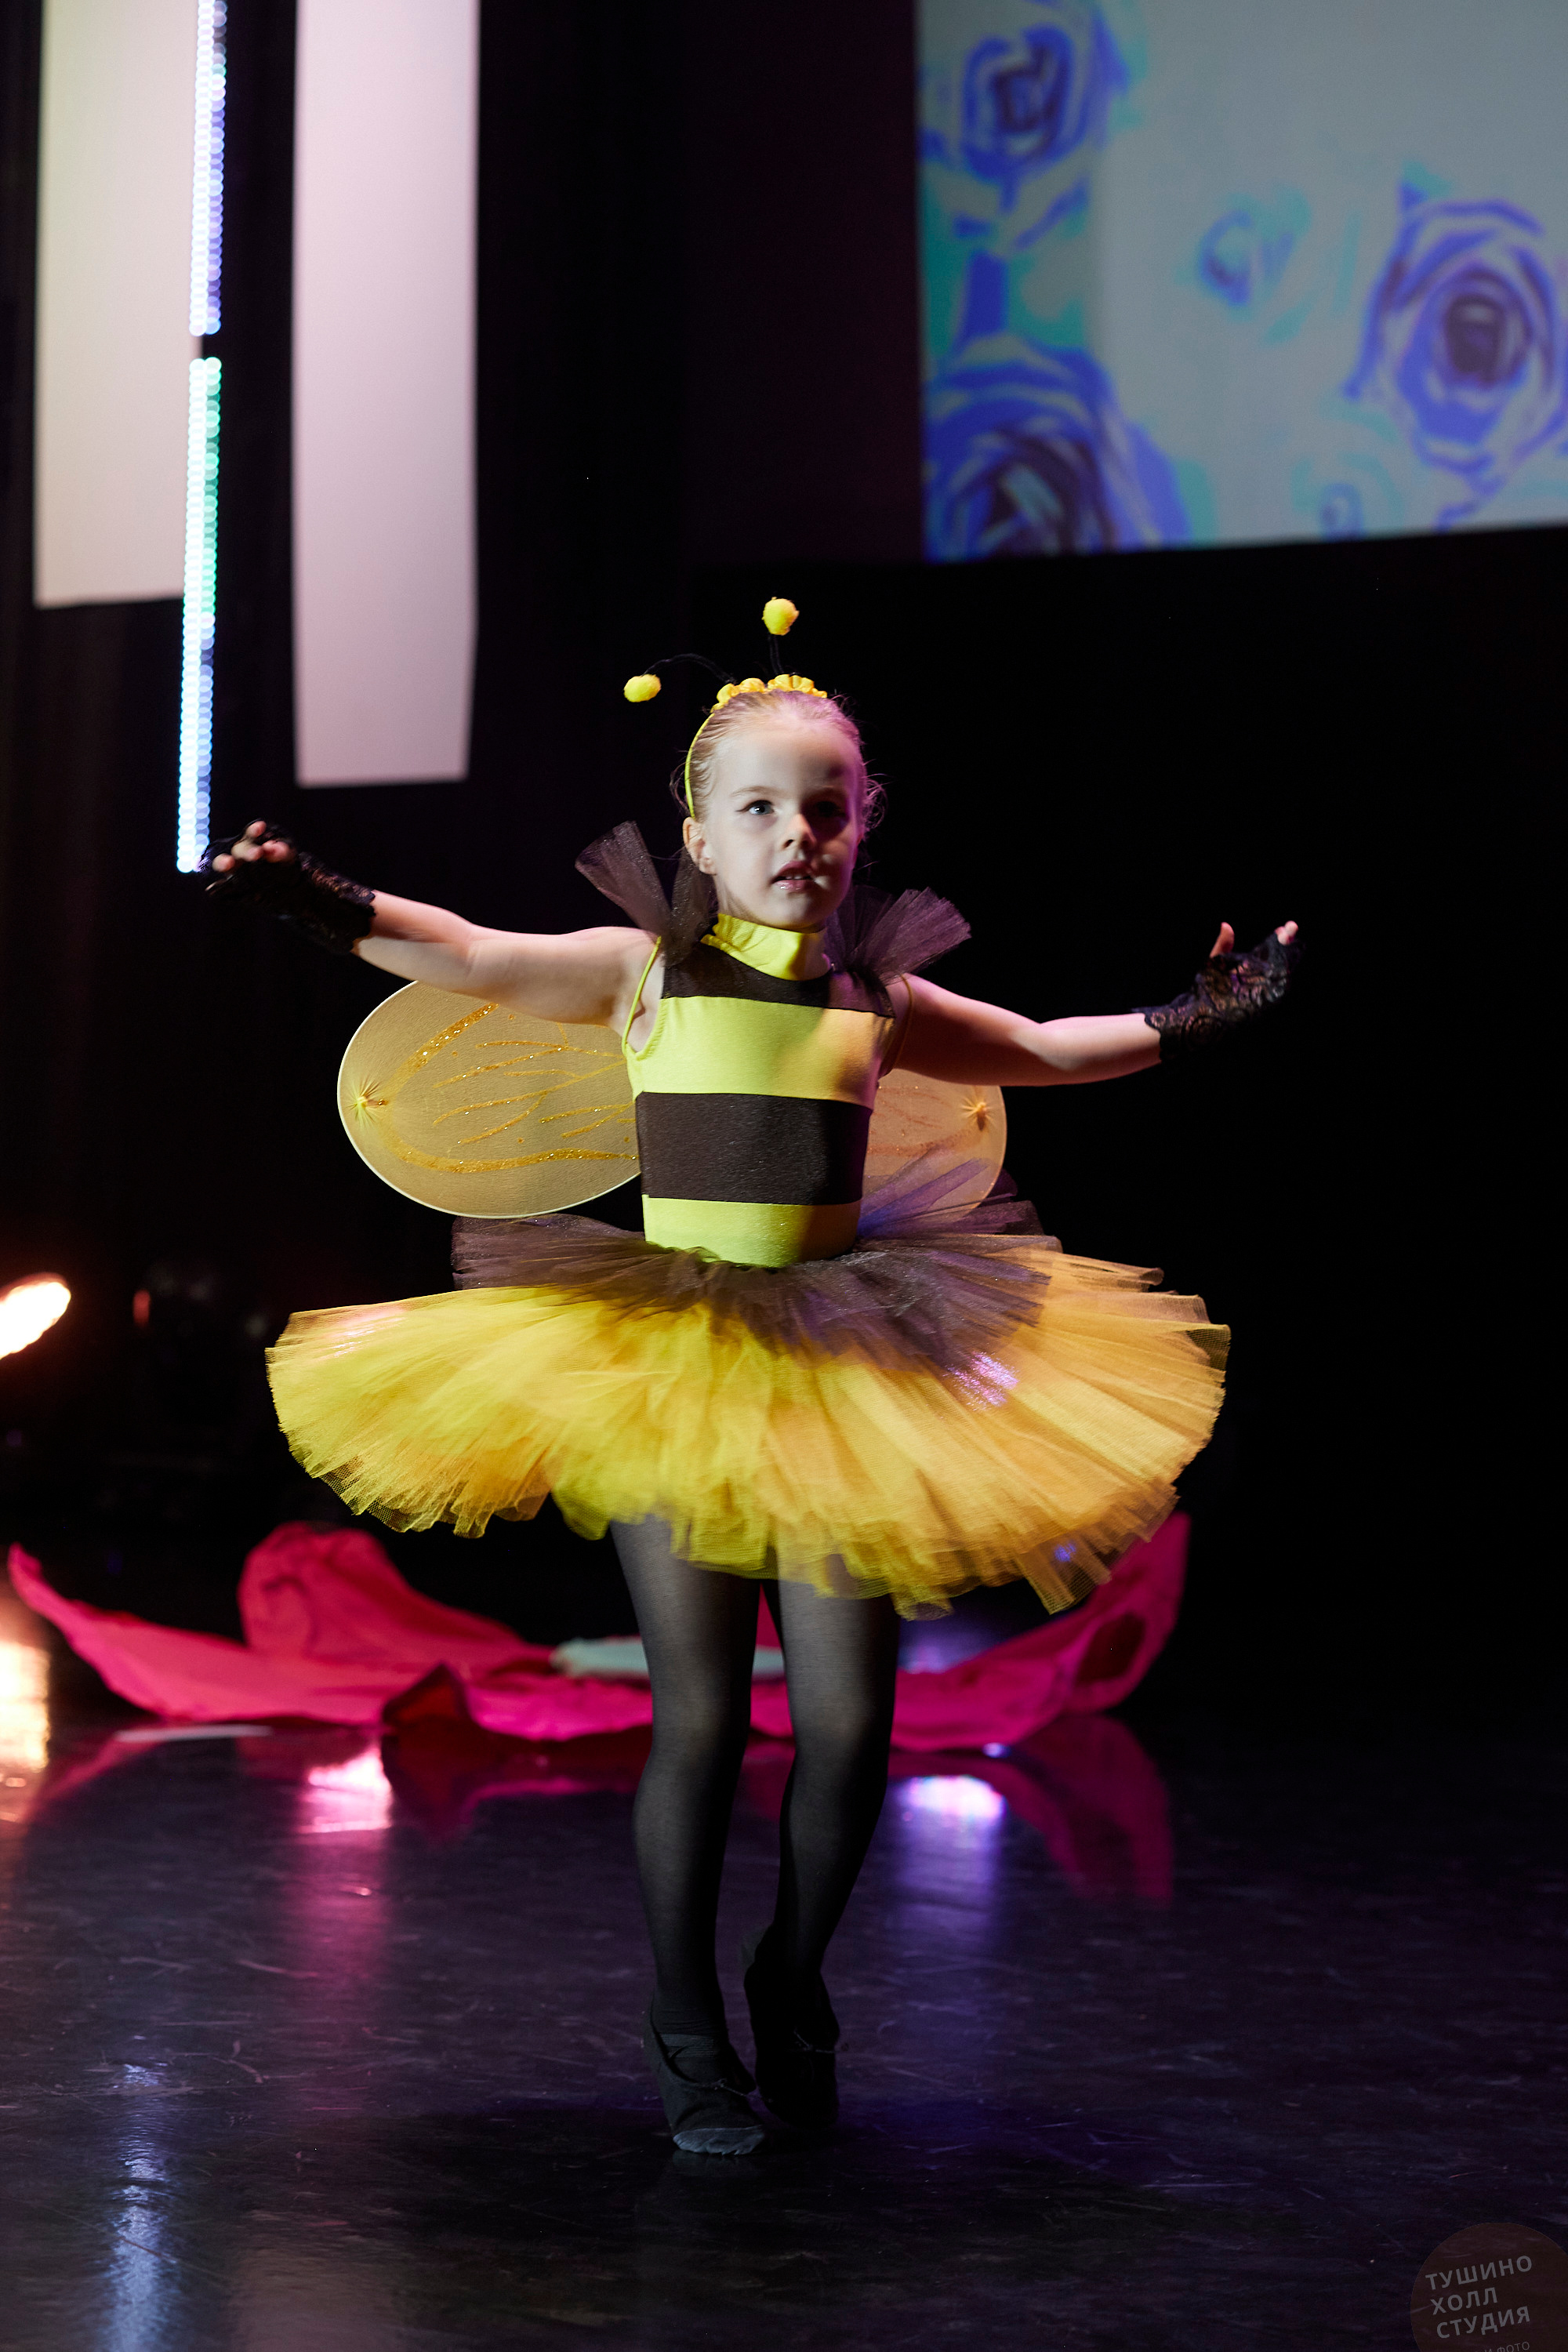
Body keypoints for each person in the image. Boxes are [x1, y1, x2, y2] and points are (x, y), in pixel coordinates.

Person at [207, 620, 1297, 2155]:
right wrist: (319, 902)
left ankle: (790, 1976)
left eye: (831, 808)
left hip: (843, 1358)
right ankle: (682, 2026)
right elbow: (459, 952)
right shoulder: (639, 972)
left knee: (850, 1727)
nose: (803, 836)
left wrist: (1198, 1017)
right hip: (674, 1363)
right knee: (703, 1722)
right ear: (703, 836)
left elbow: (1047, 1051)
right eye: (769, 809)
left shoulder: (879, 1002)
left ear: (862, 829)